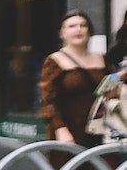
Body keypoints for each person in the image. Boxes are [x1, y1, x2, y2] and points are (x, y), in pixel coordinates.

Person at [40, 10, 102, 144]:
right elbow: (48, 101)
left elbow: (108, 89)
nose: (78, 30)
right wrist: (60, 129)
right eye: (72, 26)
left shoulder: (101, 59)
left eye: (83, 25)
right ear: (62, 33)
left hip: (99, 130)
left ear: (89, 30)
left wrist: (120, 75)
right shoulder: (54, 61)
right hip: (68, 133)